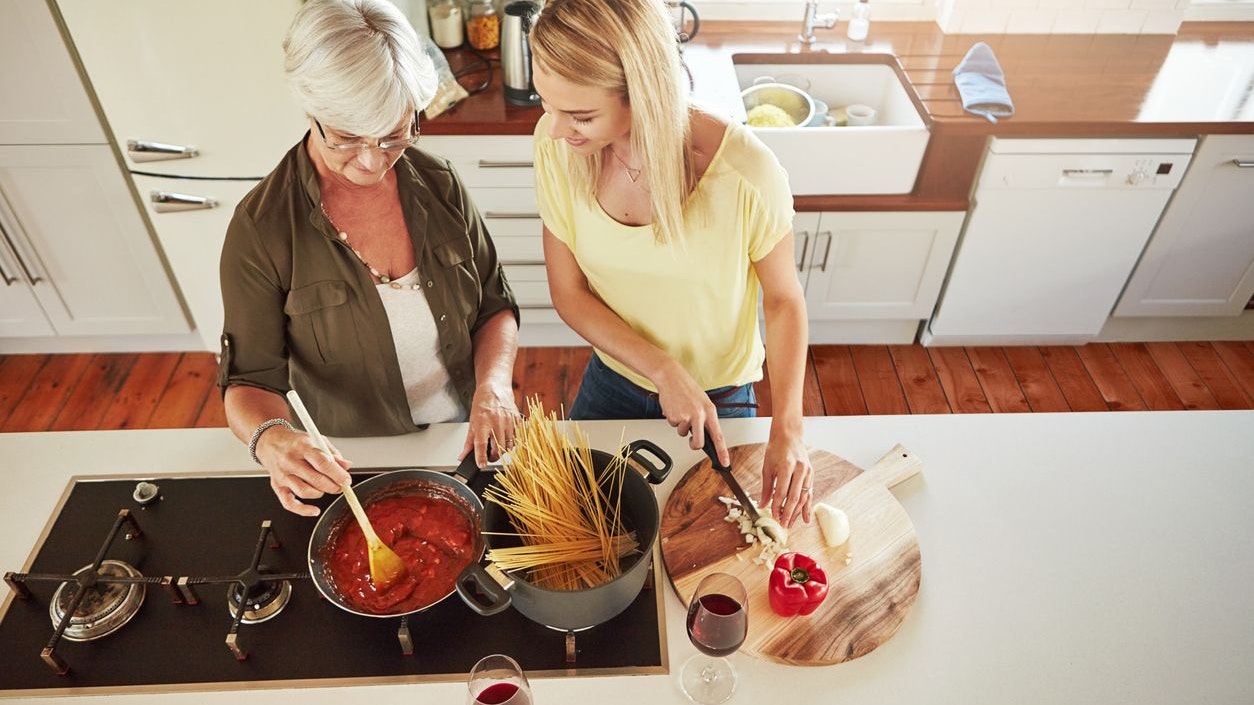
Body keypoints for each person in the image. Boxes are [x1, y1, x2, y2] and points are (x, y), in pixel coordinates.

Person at [218, 0, 520, 517]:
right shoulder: (262, 229)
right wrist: (272, 440)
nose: (372, 161)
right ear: (309, 109)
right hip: (351, 460)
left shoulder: (440, 182)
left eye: (394, 135)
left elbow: (494, 305)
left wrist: (493, 386)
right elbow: (249, 381)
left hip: (460, 437)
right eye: (346, 137)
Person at [529, 0, 814, 528]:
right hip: (613, 378)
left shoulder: (747, 174)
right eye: (547, 104)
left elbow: (783, 299)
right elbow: (569, 293)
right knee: (573, 525)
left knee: (711, 543)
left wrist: (788, 429)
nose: (555, 130)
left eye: (581, 115)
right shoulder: (559, 146)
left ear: (642, 94)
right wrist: (662, 369)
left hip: (720, 398)